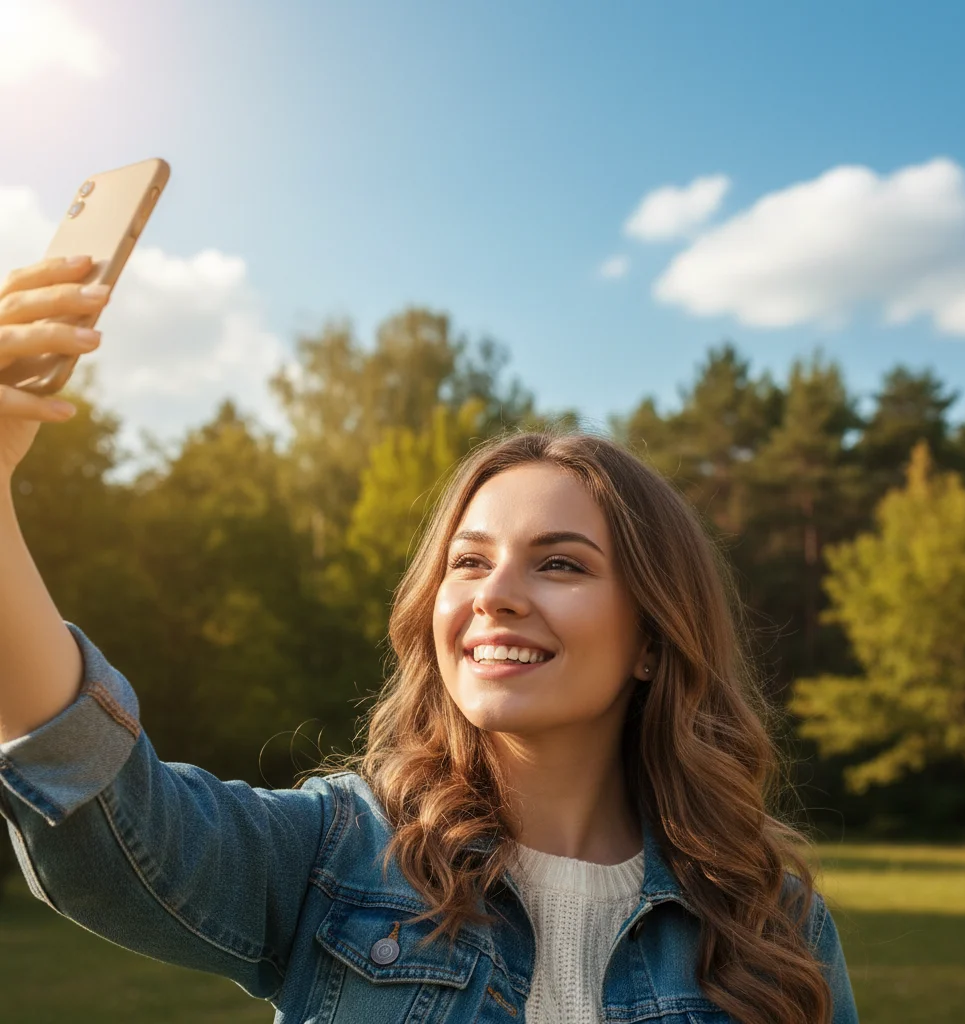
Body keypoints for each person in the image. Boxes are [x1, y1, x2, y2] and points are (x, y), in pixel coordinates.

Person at [0, 256, 858, 1024]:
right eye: (470, 561)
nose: (496, 596)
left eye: (559, 564)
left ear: (652, 639)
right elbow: (100, 807)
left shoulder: (774, 926)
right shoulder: (337, 857)